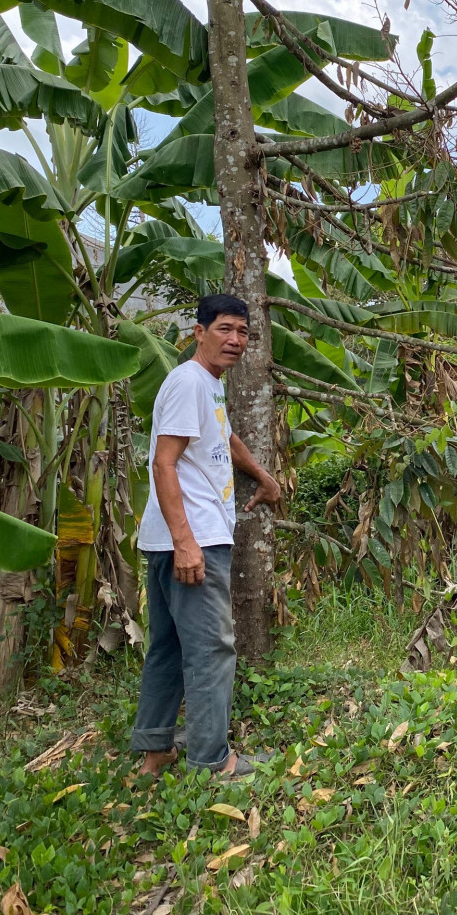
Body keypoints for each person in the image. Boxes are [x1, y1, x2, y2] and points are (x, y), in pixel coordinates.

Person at [130, 293, 280, 778]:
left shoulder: (207, 386)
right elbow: (164, 462)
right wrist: (186, 542)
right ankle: (214, 761)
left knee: (170, 647)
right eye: (225, 329)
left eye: (243, 333)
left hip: (173, 539)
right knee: (212, 650)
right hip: (189, 540)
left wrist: (262, 475)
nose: (235, 340)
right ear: (198, 332)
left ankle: (156, 751)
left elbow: (223, 435)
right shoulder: (187, 382)